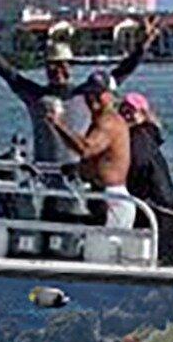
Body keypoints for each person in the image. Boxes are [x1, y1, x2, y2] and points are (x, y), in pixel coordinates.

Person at [0, 20, 156, 174]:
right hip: (44, 176)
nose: (57, 70)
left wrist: (142, 47)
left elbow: (119, 74)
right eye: (52, 65)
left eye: (62, 65)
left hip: (78, 177)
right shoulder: (35, 96)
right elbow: (7, 72)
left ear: (70, 67)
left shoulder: (86, 94)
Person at [45, 76, 137, 230]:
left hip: (110, 198)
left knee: (102, 249)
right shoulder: (101, 121)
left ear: (110, 95)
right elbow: (98, 156)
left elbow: (86, 149)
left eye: (97, 94)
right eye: (88, 94)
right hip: (100, 195)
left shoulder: (108, 121)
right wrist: (78, 168)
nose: (91, 99)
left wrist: (58, 124)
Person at [120, 91, 173, 270]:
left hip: (154, 202)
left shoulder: (138, 138)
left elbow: (138, 167)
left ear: (142, 113)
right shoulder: (149, 135)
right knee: (171, 251)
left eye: (131, 110)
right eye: (123, 109)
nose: (126, 114)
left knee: (163, 252)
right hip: (163, 201)